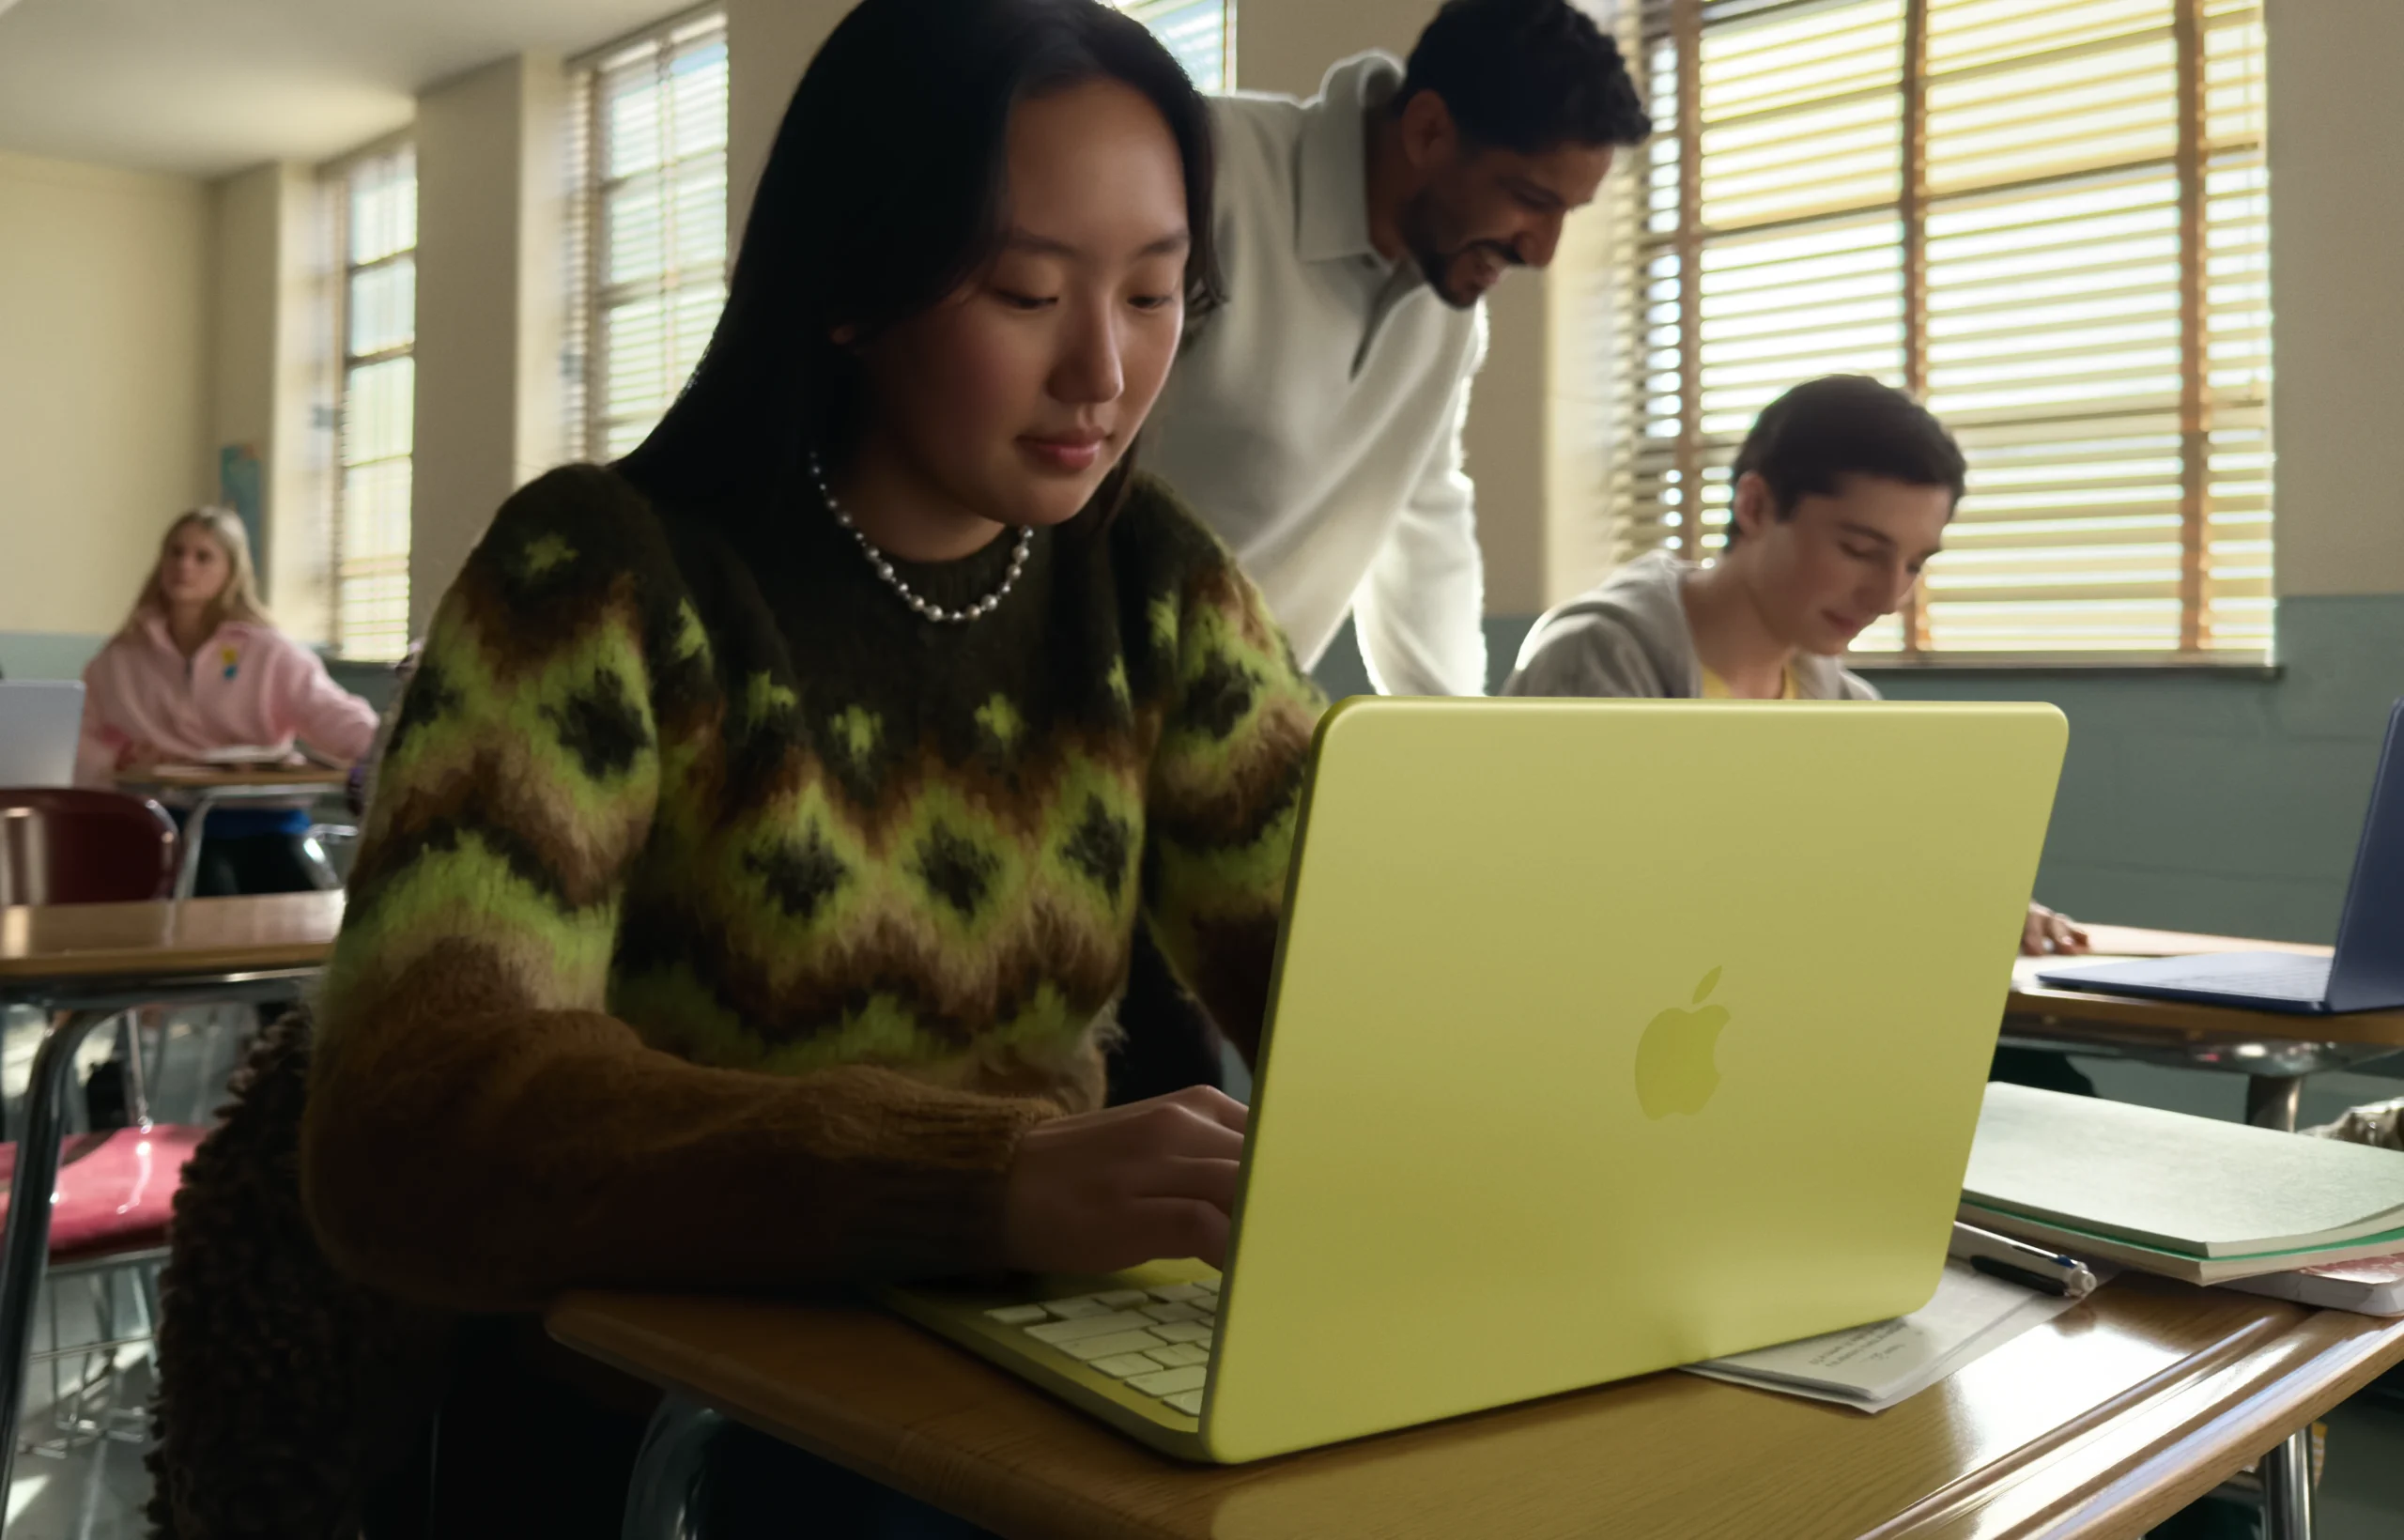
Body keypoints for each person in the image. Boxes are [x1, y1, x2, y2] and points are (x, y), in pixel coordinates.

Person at [298, 0, 1320, 1532]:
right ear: (854, 285)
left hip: (1025, 1380)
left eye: (1160, 294)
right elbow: (419, 1118)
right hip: (670, 1428)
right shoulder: (600, 579)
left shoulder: (1147, 588)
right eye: (1027, 291)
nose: (1105, 372)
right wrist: (982, 1181)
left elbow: (1348, 961)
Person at [1142, 0, 1652, 699]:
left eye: (1567, 212)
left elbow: (1424, 525)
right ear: (1429, 131)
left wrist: (1457, 747)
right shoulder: (1208, 170)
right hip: (1051, 701)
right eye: (1530, 197)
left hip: (1227, 728)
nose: (1544, 248)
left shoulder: (1446, 319)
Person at [1502, 376, 2091, 973]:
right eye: (1860, 551)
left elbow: (1886, 873)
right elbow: (1597, 915)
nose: (1889, 597)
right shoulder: (1597, 658)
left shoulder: (1846, 706)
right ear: (1756, 506)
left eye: (1913, 564)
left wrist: (1982, 907)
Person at [75, 507, 378, 894]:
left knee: (312, 900)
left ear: (231, 571)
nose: (185, 565)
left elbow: (330, 713)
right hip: (167, 823)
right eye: (175, 552)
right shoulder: (120, 656)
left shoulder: (269, 652)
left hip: (266, 822)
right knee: (209, 891)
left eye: (203, 556)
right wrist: (120, 759)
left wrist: (386, 748)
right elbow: (77, 736)